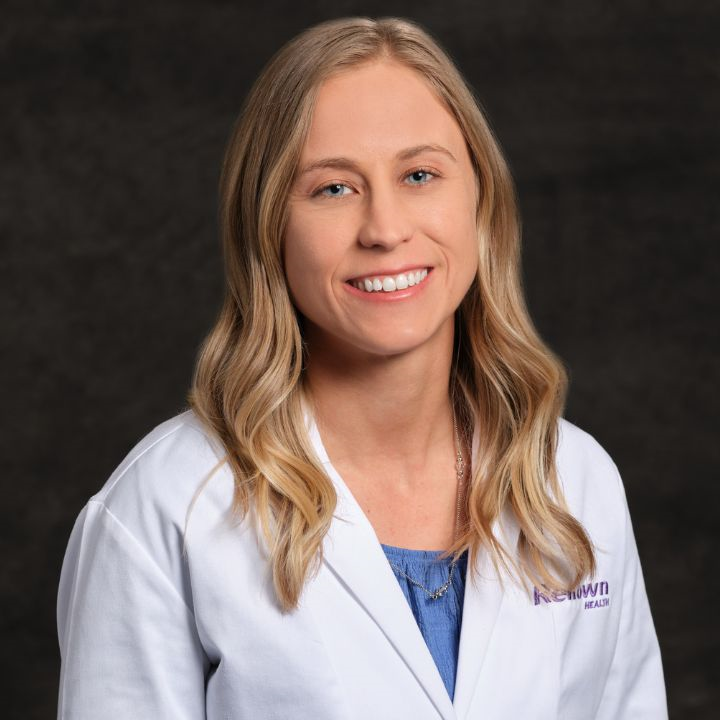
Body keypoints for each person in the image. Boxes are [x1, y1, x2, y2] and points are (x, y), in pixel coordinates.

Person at [56, 16, 667, 720]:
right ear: (268, 226)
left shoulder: (577, 482)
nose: (385, 229)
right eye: (333, 189)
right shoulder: (162, 510)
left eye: (420, 175)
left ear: (480, 202)